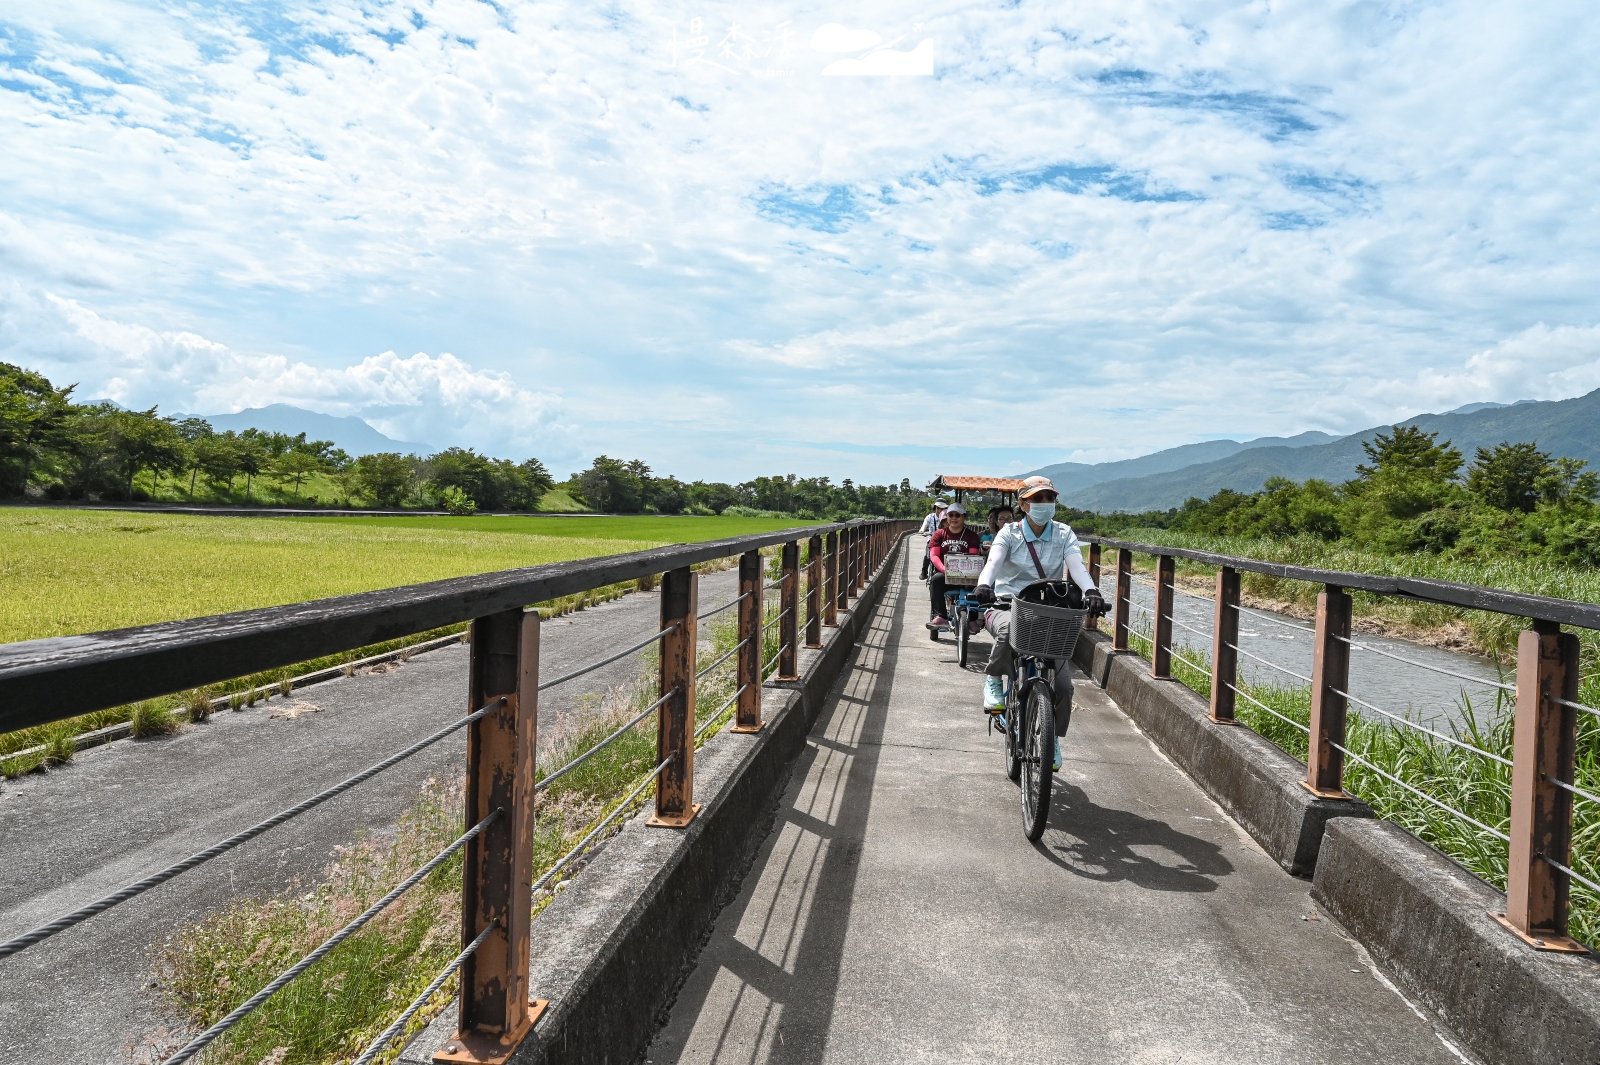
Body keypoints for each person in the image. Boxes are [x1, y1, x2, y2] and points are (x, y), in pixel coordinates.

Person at [972, 477, 1105, 769]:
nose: (1045, 504)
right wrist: (984, 584)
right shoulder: (1009, 533)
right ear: (1023, 504)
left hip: (1048, 612)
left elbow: (1076, 565)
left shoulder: (1064, 533)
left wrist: (1091, 590)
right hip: (1007, 605)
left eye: (1049, 498)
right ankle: (994, 679)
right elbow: (993, 562)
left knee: (1064, 686)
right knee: (1009, 628)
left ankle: (1051, 738)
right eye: (1038, 498)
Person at [926, 502, 981, 629]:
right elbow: (934, 555)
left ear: (964, 517)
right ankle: (941, 616)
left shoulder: (971, 536)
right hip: (946, 574)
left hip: (966, 574)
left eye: (958, 515)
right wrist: (945, 569)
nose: (954, 518)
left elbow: (973, 555)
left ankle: (973, 617)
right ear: (947, 517)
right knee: (935, 580)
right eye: (951, 515)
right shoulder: (939, 534)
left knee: (977, 583)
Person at [918, 499, 949, 579]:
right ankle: (924, 572)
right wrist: (922, 530)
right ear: (935, 508)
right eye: (938, 508)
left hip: (944, 540)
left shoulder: (948, 517)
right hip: (932, 539)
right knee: (928, 555)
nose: (939, 510)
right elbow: (924, 524)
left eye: (942, 509)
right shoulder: (930, 517)